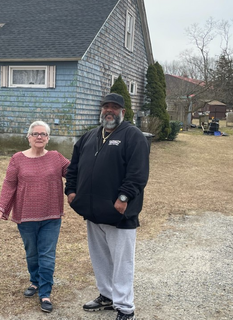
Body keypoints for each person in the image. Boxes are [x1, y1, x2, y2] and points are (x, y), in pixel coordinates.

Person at [65, 93, 150, 320]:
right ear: (100, 110)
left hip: (120, 214)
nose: (109, 111)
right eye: (105, 107)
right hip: (93, 211)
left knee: (122, 261)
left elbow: (138, 174)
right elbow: (73, 167)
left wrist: (124, 198)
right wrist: (71, 191)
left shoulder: (133, 136)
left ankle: (125, 307)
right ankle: (107, 295)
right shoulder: (89, 137)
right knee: (100, 257)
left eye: (114, 107)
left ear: (123, 112)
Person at [0, 120, 70, 313]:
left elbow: (75, 173)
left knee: (47, 255)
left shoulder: (56, 157)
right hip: (26, 216)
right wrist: (2, 206)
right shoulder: (17, 159)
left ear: (48, 138)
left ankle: (45, 293)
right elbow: (9, 184)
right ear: (28, 137)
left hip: (51, 215)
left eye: (43, 134)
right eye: (35, 134)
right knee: (32, 253)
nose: (39, 137)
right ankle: (35, 282)